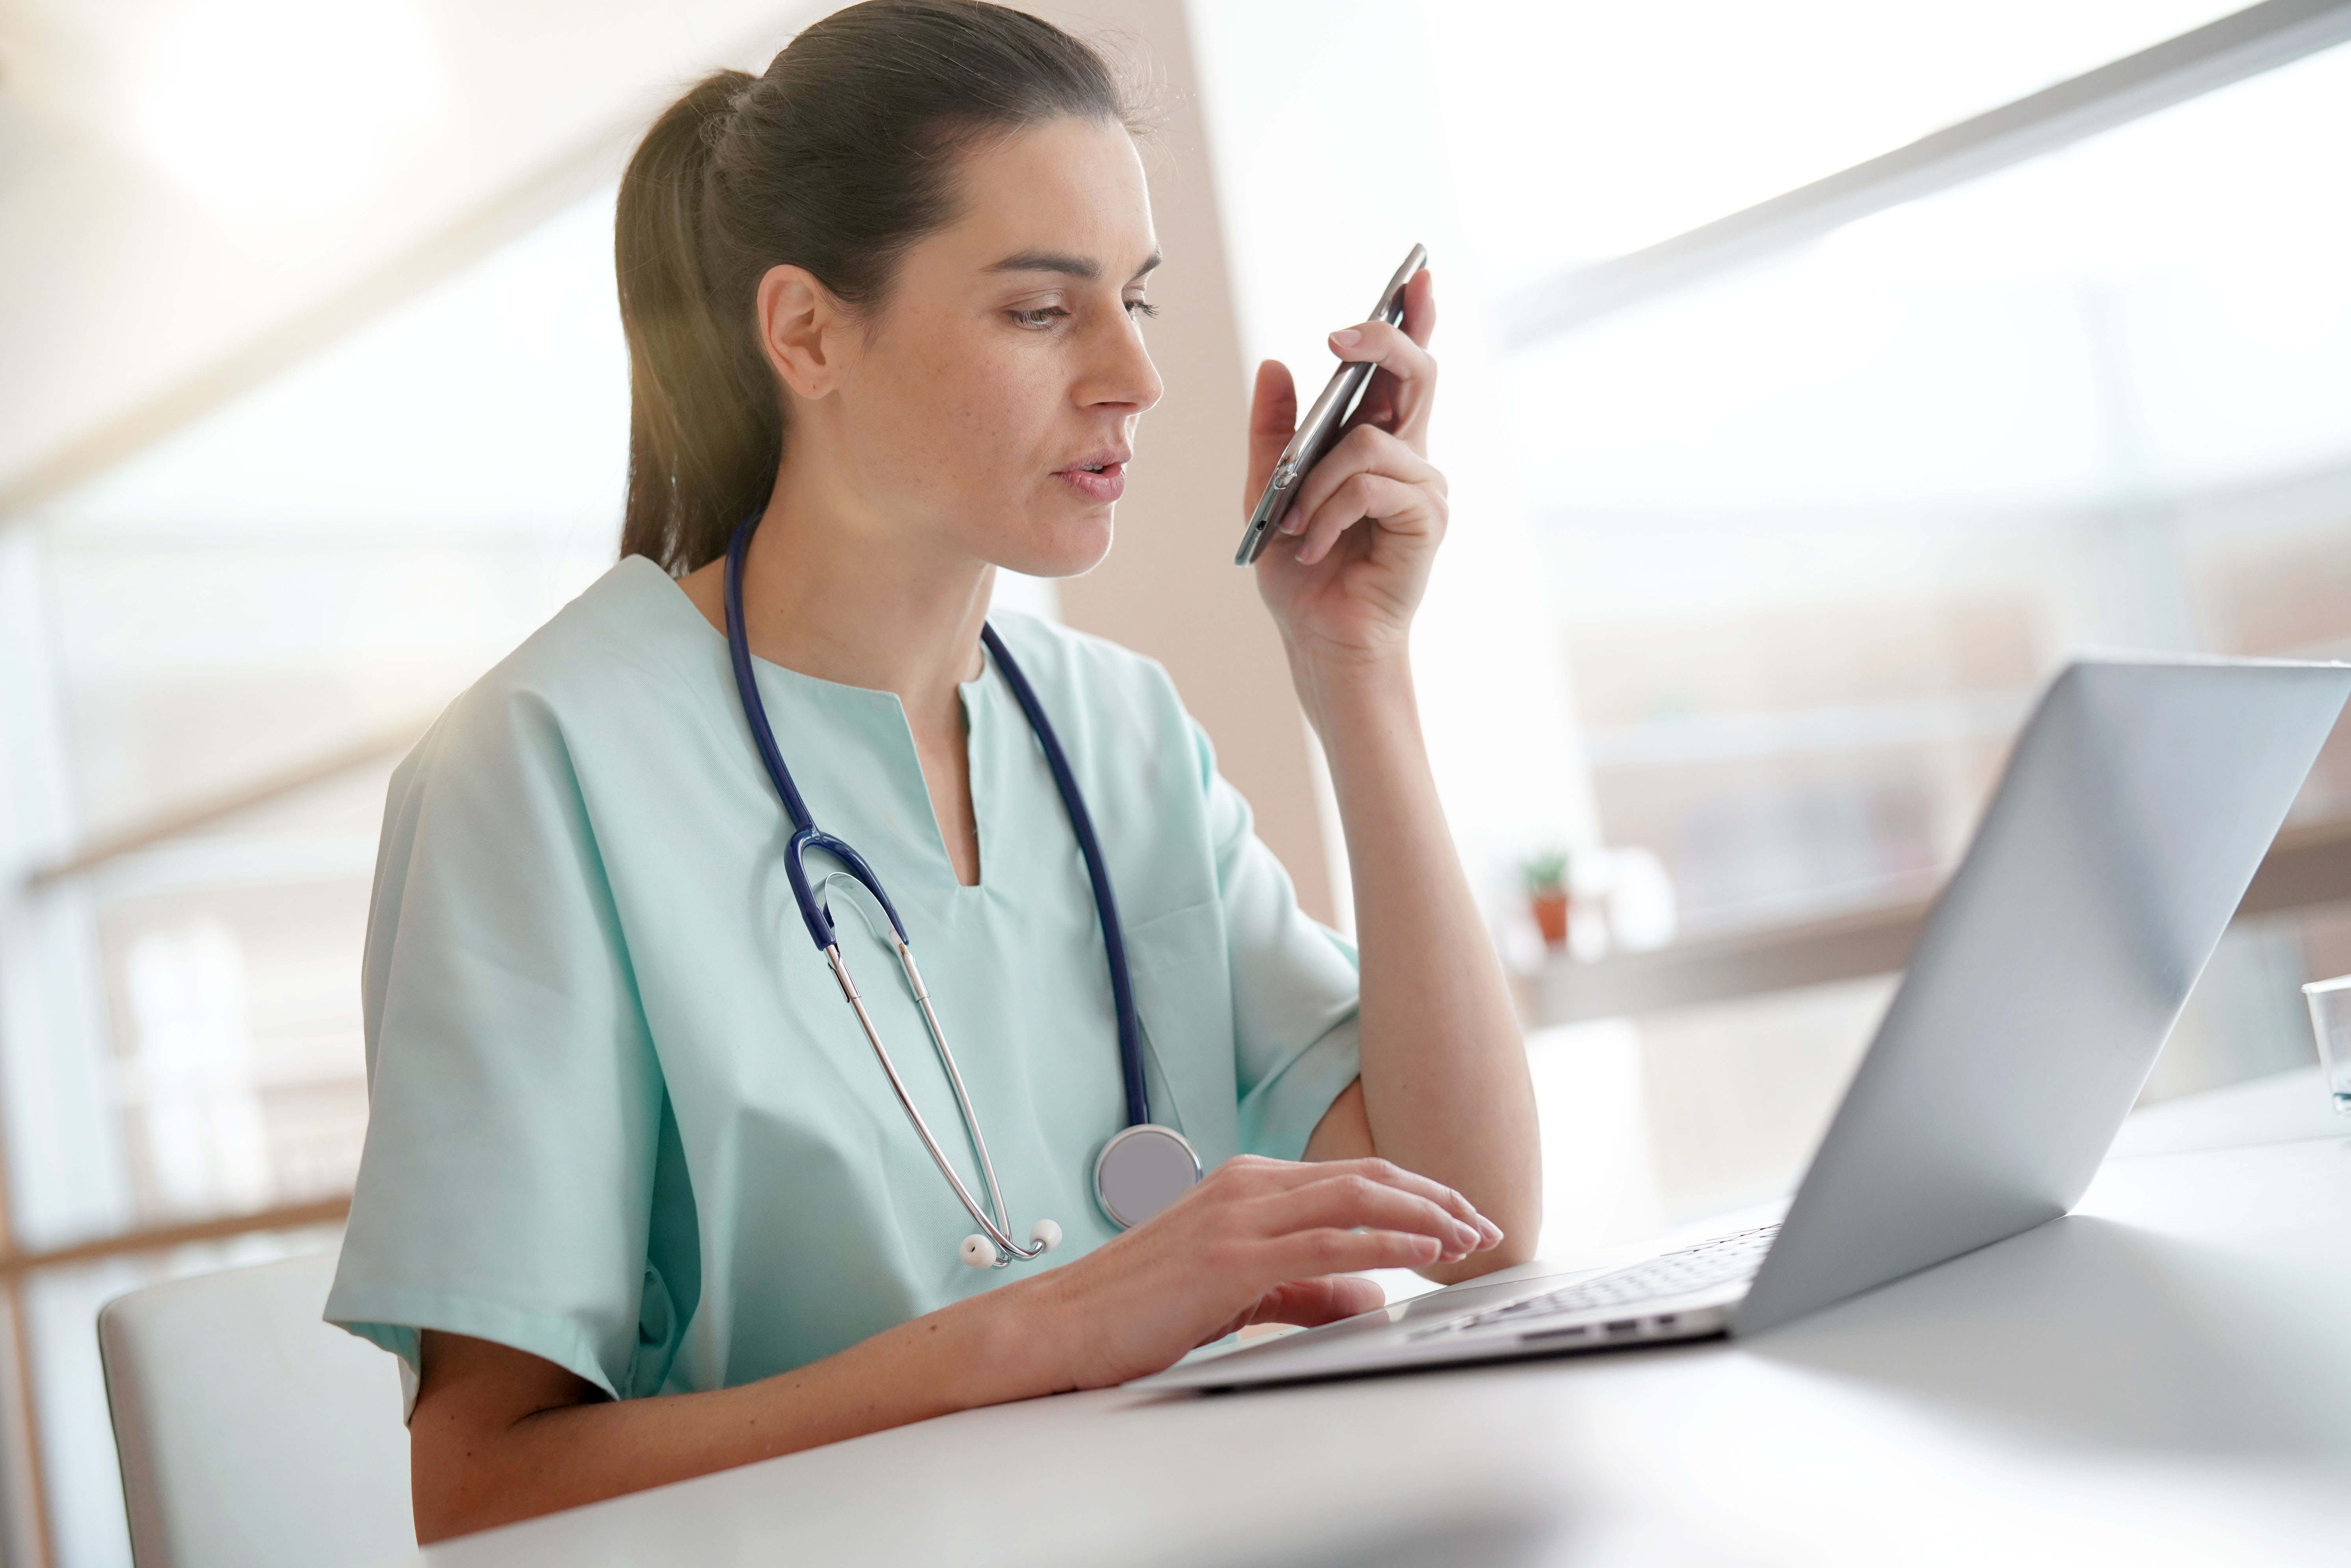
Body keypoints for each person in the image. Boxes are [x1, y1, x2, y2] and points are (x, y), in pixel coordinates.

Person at [325, 0, 1538, 1542]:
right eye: (1043, 311)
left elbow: (1473, 1222)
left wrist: (1358, 675)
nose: (1134, 378)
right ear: (808, 332)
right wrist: (1031, 1332)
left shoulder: (1119, 730)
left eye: (1136, 299)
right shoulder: (537, 767)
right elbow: (483, 1489)